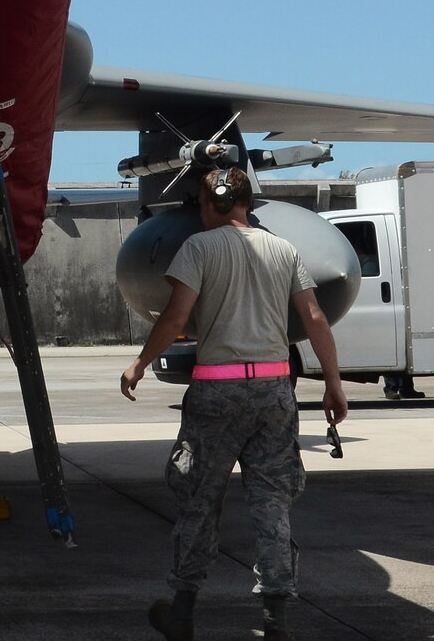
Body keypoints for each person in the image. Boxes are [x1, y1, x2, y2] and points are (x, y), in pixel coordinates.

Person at [120, 168, 350, 641]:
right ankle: (276, 622)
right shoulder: (284, 250)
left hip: (216, 395)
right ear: (248, 203)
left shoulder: (198, 248)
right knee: (273, 506)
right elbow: (314, 318)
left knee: (198, 503)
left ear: (208, 205)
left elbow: (176, 316)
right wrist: (333, 383)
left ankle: (182, 615)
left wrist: (141, 362)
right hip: (273, 394)